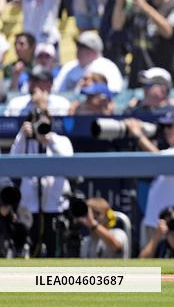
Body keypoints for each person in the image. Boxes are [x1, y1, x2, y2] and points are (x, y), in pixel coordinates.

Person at [124, 108, 174, 244]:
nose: (166, 131)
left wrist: (138, 135)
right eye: (164, 127)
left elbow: (160, 160)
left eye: (170, 126)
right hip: (159, 225)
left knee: (172, 257)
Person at [10, 109, 74, 257]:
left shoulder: (60, 140)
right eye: (37, 123)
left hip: (55, 205)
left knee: (56, 250)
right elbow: (12, 164)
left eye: (44, 123)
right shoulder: (25, 140)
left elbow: (68, 162)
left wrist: (48, 140)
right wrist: (22, 136)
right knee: (31, 250)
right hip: (30, 206)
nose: (40, 126)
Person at [110, 0, 174, 84]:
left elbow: (167, 31)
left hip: (163, 73)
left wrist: (145, 8)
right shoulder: (141, 5)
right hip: (138, 72)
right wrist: (119, 2)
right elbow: (117, 25)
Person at [51, 30, 124, 94]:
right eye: (78, 46)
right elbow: (56, 90)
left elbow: (114, 92)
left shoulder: (107, 67)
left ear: (94, 52)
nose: (79, 50)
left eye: (83, 48)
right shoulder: (69, 66)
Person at [3, 66, 69, 117]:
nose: (32, 84)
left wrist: (42, 105)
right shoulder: (15, 103)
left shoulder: (62, 104)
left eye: (37, 80)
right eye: (31, 79)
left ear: (49, 85)